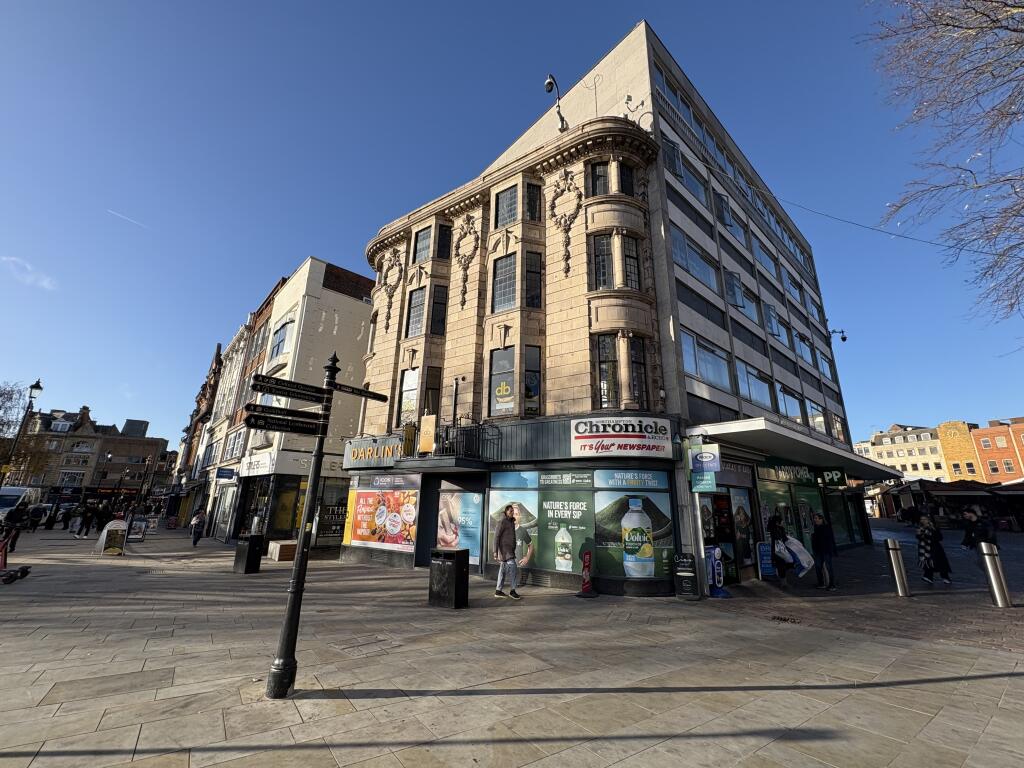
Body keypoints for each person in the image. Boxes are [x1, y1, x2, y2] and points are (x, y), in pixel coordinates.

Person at [492, 504, 521, 600]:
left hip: (509, 550)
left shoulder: (511, 522)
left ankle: (498, 590)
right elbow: (496, 536)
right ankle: (512, 591)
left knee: (502, 570)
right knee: (513, 568)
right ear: (506, 512)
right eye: (510, 511)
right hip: (505, 550)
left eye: (513, 511)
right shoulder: (502, 522)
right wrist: (495, 551)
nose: (512, 513)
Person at [917, 516, 951, 584]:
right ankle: (928, 576)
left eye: (924, 519)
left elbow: (939, 538)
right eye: (921, 519)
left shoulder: (934, 528)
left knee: (940, 562)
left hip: (935, 548)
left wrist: (928, 536)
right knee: (928, 562)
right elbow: (919, 537)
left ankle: (945, 577)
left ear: (929, 520)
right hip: (925, 548)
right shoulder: (921, 528)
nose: (922, 521)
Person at [811, 513, 838, 591]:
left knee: (829, 567)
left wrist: (832, 550)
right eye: (814, 518)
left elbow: (830, 540)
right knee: (818, 566)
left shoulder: (826, 528)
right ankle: (821, 583)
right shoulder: (816, 528)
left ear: (821, 519)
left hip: (826, 550)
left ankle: (832, 584)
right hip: (818, 551)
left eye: (816, 518)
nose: (815, 520)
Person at [511, 504, 534, 589]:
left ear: (519, 516)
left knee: (515, 589)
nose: (514, 516)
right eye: (513, 514)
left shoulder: (522, 531)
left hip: (517, 568)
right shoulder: (505, 529)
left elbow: (531, 545)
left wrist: (527, 558)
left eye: (516, 514)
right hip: (507, 568)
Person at [767, 513, 792, 583]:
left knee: (781, 565)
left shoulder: (775, 529)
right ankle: (783, 582)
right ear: (777, 522)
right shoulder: (776, 529)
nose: (783, 522)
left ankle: (782, 580)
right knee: (781, 565)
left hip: (778, 550)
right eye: (781, 521)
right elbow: (781, 538)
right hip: (779, 550)